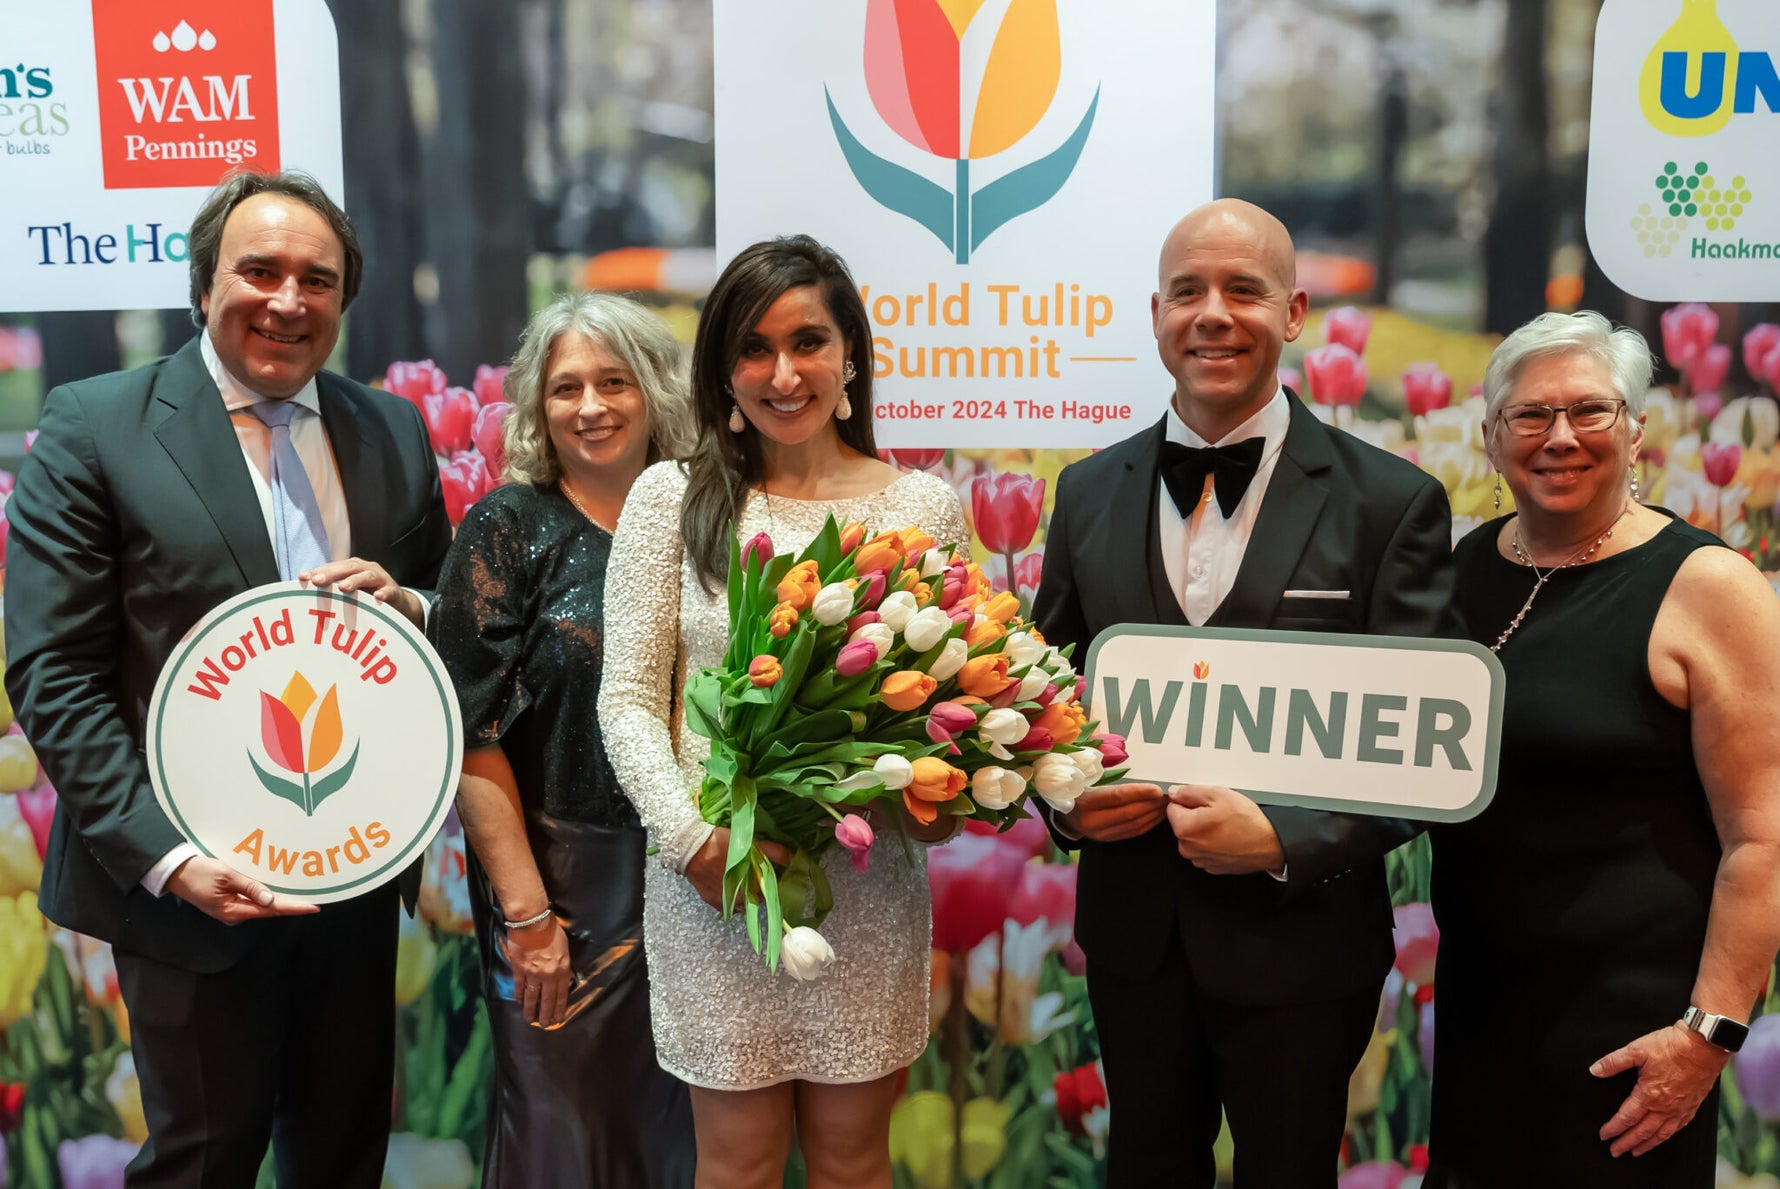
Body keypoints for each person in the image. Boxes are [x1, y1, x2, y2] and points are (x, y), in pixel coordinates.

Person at [3, 170, 451, 1187]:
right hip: (186, 889)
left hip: (353, 876)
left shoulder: (391, 429)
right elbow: (53, 669)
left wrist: (417, 607)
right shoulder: (95, 426)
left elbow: (444, 620)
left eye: (317, 279)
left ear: (343, 299)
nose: (287, 300)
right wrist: (164, 857)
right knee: (202, 1162)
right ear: (204, 285)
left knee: (343, 1157)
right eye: (260, 270)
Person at [1032, 198, 1455, 1188]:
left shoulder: (1391, 504)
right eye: (1187, 291)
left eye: (1242, 290)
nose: (1211, 313)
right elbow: (1038, 689)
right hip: (1136, 937)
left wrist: (1287, 837)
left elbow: (1427, 748)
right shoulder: (1086, 492)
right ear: (1155, 314)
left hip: (1303, 945)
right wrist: (1064, 801)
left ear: (1295, 312)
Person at [599, 235, 967, 1189]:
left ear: (850, 357)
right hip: (712, 887)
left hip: (864, 879)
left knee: (853, 1159)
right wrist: (694, 841)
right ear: (723, 369)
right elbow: (631, 699)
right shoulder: (668, 500)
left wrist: (939, 793)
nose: (783, 372)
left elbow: (948, 703)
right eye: (754, 348)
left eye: (808, 341)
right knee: (739, 1162)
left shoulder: (921, 509)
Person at [1424, 311, 1780, 1186]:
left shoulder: (1708, 585)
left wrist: (1707, 1036)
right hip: (1482, 1019)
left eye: (1591, 411)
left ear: (1637, 429)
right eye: (1530, 416)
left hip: (1631, 1044)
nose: (1561, 438)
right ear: (1491, 437)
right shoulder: (1464, 570)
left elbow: (1764, 837)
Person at [431, 292, 697, 1187]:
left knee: (686, 1142)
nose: (590, 406)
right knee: (563, 1138)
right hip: (563, 891)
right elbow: (465, 731)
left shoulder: (709, 520)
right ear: (537, 407)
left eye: (614, 381)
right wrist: (530, 916)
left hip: (703, 882)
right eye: (565, 387)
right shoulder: (510, 523)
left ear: (656, 388)